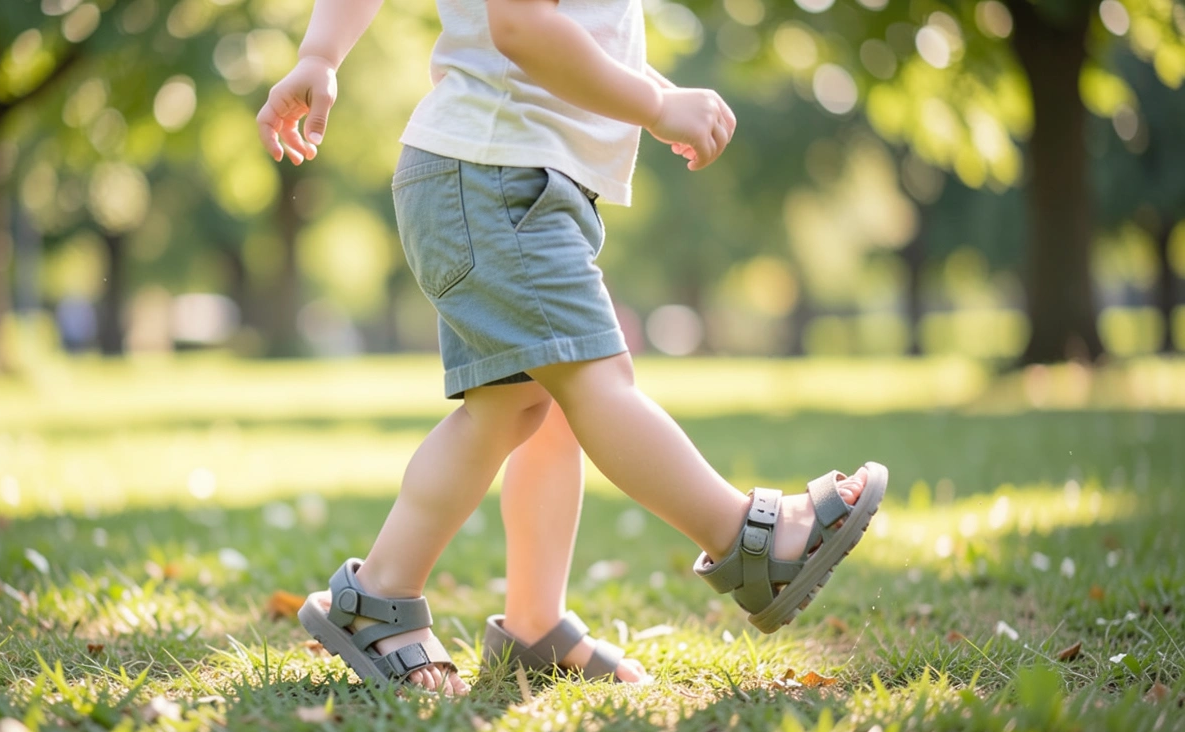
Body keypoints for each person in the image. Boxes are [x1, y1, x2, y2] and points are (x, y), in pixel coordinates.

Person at [257, 0, 889, 696]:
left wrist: (320, 54)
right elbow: (521, 26)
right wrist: (656, 105)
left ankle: (517, 620)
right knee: (595, 384)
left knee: (523, 408)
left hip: (500, 174)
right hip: (495, 175)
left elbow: (571, 32)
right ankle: (747, 540)